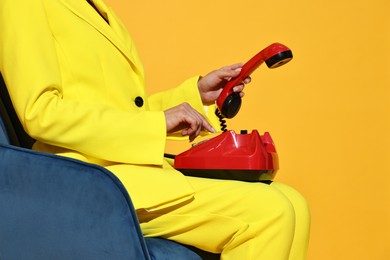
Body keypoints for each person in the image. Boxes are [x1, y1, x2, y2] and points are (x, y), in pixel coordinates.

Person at [0, 0, 310, 259]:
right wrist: (157, 123)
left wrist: (195, 95)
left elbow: (121, 109)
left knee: (294, 202)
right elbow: (39, 112)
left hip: (128, 168)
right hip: (89, 176)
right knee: (272, 212)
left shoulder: (96, 7)